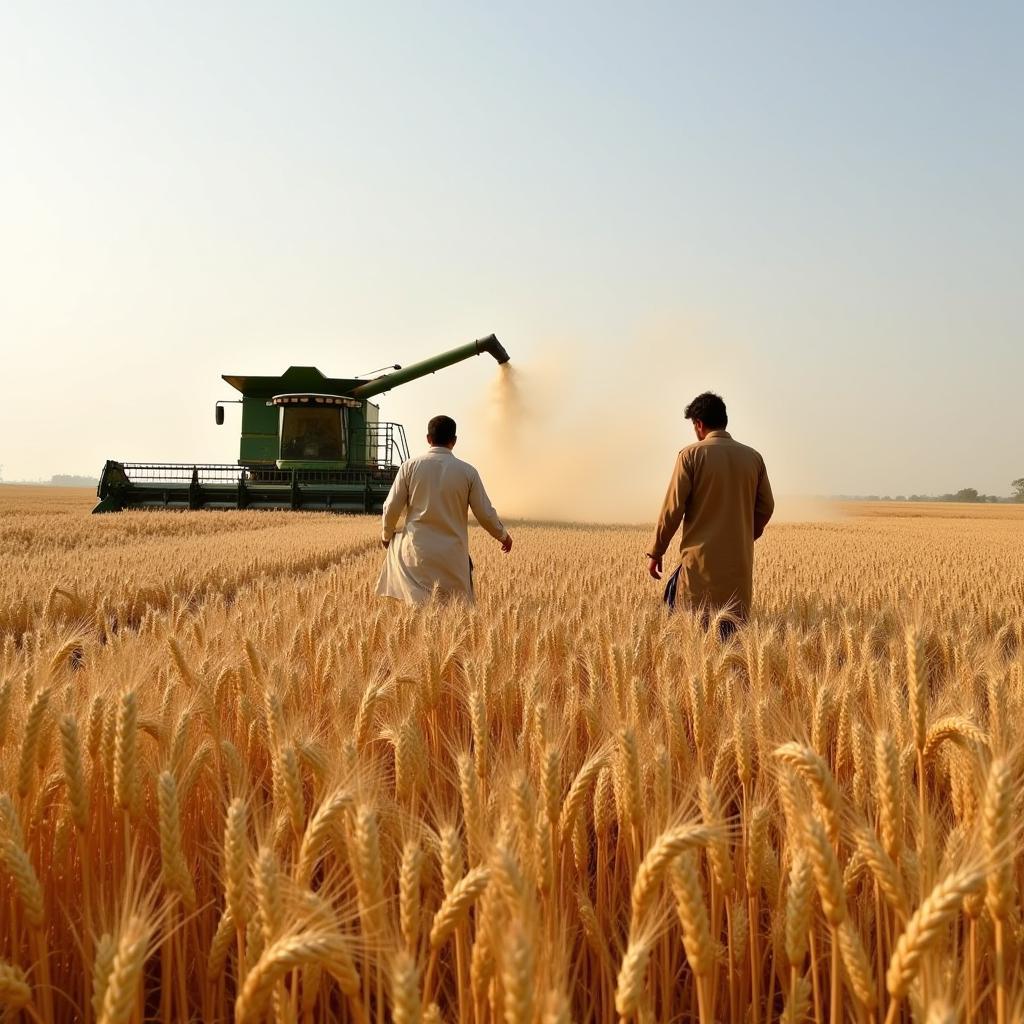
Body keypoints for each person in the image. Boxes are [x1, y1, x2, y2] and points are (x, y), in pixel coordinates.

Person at [647, 392, 774, 637]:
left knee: (690, 634)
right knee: (733, 641)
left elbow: (672, 509)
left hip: (698, 568)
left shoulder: (690, 456)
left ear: (699, 424)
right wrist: (745, 535)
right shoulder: (753, 458)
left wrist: (657, 550)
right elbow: (766, 507)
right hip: (738, 567)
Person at [376, 415, 513, 605]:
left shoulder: (409, 467)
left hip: (416, 555)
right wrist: (503, 535)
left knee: (418, 612)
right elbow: (485, 513)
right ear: (454, 441)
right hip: (453, 559)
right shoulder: (468, 472)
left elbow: (390, 507)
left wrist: (386, 535)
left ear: (428, 439)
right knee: (454, 612)